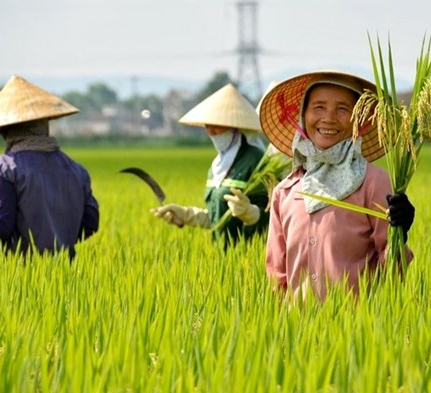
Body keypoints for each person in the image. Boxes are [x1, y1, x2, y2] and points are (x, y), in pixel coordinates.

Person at [258, 70, 416, 301]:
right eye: (318, 107)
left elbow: (393, 270)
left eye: (343, 109)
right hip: (297, 330)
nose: (329, 118)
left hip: (356, 329)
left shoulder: (372, 182)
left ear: (359, 121)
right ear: (302, 115)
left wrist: (400, 235)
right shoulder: (285, 191)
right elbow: (277, 275)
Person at [0, 75, 99, 259]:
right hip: (67, 278)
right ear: (44, 125)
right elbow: (90, 223)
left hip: (15, 278)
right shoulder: (76, 170)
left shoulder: (5, 167)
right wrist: (57, 243)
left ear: (6, 130)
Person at [151, 83, 269, 245]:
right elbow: (217, 217)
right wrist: (188, 216)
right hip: (221, 256)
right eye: (207, 125)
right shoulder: (217, 166)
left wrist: (252, 214)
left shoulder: (255, 159)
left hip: (249, 254)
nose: (210, 131)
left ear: (234, 126)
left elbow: (274, 214)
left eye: (217, 125)